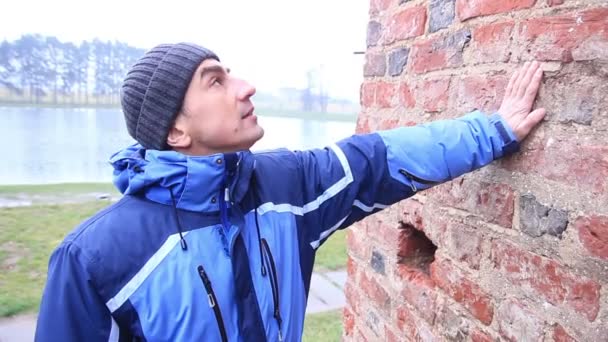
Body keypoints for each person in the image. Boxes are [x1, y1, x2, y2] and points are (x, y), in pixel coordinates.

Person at [35, 42, 545, 341]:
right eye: (215, 82)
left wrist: (495, 131)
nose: (244, 86)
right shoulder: (93, 258)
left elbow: (384, 156)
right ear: (175, 132)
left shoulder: (284, 186)